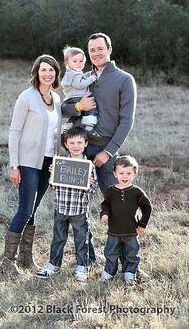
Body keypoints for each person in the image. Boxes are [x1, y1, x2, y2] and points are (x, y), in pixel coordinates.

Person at [61, 32, 137, 264]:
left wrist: (108, 151)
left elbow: (127, 121)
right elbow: (63, 108)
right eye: (91, 50)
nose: (95, 53)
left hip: (105, 150)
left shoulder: (124, 79)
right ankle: (87, 259)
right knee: (76, 208)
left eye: (99, 48)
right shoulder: (82, 78)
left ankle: (126, 262)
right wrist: (78, 106)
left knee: (118, 206)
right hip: (79, 150)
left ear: (109, 49)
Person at [1, 54, 62, 278]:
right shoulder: (26, 97)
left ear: (56, 73)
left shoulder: (55, 98)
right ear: (36, 72)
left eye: (52, 70)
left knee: (34, 209)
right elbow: (14, 131)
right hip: (27, 162)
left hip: (47, 162)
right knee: (25, 209)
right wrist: (14, 165)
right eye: (43, 69)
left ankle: (26, 257)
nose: (48, 73)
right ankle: (7, 261)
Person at [35, 127, 97, 282]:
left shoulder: (89, 166)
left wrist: (89, 183)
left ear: (86, 144)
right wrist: (53, 174)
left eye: (79, 142)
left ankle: (82, 267)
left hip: (79, 210)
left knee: (81, 239)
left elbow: (93, 190)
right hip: (61, 208)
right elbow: (53, 185)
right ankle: (53, 264)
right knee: (58, 238)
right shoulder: (60, 163)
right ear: (66, 144)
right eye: (72, 142)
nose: (75, 145)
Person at [100, 155, 152, 286]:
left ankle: (129, 274)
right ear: (115, 174)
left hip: (131, 230)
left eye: (128, 173)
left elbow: (147, 207)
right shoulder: (111, 191)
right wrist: (104, 214)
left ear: (134, 174)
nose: (125, 176)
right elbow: (105, 204)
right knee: (111, 253)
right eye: (121, 173)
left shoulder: (136, 192)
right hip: (114, 230)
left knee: (132, 253)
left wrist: (142, 224)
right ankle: (109, 273)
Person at [61, 46, 100, 137]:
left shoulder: (70, 73)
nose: (78, 63)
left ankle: (68, 125)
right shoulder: (75, 74)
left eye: (81, 61)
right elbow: (80, 84)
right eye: (74, 61)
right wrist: (91, 78)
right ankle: (89, 128)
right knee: (91, 108)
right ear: (67, 63)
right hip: (77, 97)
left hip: (70, 99)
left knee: (76, 115)